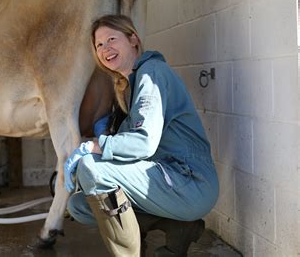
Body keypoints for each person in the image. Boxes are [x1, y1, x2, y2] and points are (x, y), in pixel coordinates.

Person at [64, 15, 219, 257]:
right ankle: (180, 226)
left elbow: (144, 142)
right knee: (80, 205)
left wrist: (94, 147)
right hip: (168, 178)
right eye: (99, 45)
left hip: (189, 182)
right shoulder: (132, 84)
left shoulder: (151, 74)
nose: (106, 49)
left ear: (133, 39)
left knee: (92, 169)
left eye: (112, 39)